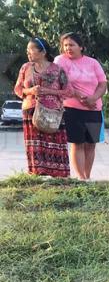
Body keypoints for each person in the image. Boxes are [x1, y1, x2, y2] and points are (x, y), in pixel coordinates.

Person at [14, 37, 70, 178]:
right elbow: (18, 89)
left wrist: (49, 91)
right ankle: (36, 175)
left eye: (31, 50)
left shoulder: (57, 70)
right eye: (27, 50)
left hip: (52, 112)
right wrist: (31, 91)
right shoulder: (25, 68)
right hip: (31, 111)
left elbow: (68, 91)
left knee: (54, 143)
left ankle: (58, 176)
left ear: (43, 52)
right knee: (35, 146)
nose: (28, 53)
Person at [53, 33, 105, 180]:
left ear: (81, 47)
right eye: (65, 45)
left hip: (94, 108)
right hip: (72, 108)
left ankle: (88, 176)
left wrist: (93, 98)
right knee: (78, 143)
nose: (68, 48)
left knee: (91, 144)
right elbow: (62, 82)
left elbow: (102, 83)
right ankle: (81, 177)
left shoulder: (93, 63)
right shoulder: (60, 60)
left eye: (72, 45)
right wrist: (79, 97)